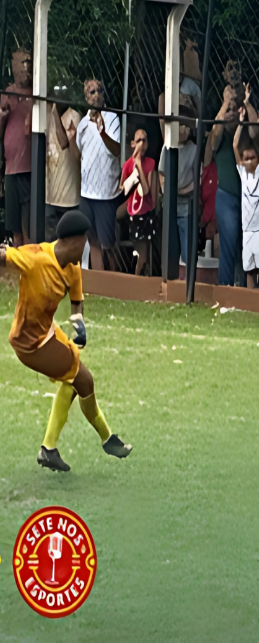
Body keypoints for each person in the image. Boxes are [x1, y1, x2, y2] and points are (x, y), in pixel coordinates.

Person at [5, 209, 131, 472]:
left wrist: (79, 326)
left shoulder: (72, 270)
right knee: (82, 379)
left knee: (76, 380)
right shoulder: (37, 257)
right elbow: (5, 255)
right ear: (73, 241)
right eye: (84, 241)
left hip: (47, 332)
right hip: (29, 343)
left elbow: (76, 305)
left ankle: (50, 449)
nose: (85, 248)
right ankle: (106, 439)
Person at [76, 79, 122, 270]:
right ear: (86, 97)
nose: (96, 95)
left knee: (108, 245)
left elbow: (116, 150)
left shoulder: (112, 118)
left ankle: (112, 284)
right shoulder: (83, 123)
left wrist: (102, 132)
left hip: (105, 193)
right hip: (87, 193)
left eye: (99, 91)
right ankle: (97, 285)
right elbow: (80, 151)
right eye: (92, 92)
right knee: (92, 241)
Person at [233, 88, 259, 290]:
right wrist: (241, 122)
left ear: (258, 160)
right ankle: (250, 302)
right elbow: (234, 146)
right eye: (245, 158)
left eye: (252, 157)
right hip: (247, 230)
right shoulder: (242, 173)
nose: (248, 161)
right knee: (249, 270)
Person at [206, 84, 241, 285]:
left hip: (247, 196)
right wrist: (225, 104)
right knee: (227, 245)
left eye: (233, 110)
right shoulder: (219, 137)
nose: (230, 114)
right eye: (228, 110)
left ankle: (244, 288)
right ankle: (226, 288)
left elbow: (256, 137)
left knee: (244, 245)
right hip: (226, 195)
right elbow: (213, 140)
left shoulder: (244, 132)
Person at [158, 103, 199, 265]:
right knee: (169, 249)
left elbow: (198, 180)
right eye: (180, 125)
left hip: (186, 208)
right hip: (169, 206)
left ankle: (187, 282)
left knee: (187, 251)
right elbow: (161, 173)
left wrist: (180, 191)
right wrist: (167, 192)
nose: (183, 129)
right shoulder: (167, 148)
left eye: (187, 126)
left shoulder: (194, 149)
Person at [0, 49, 33, 244]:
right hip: (11, 169)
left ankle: (28, 269)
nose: (25, 67)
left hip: (29, 169)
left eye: (28, 62)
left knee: (28, 226)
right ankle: (16, 271)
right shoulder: (6, 94)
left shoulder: (35, 93)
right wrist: (2, 118)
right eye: (21, 63)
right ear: (13, 66)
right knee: (15, 229)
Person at [120, 128, 156, 276]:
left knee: (145, 250)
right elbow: (122, 187)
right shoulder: (127, 165)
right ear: (133, 144)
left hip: (147, 212)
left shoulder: (151, 164)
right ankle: (135, 277)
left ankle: (143, 275)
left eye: (144, 140)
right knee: (138, 248)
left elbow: (147, 190)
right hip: (134, 213)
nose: (141, 143)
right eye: (138, 140)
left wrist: (139, 166)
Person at [46, 103, 81, 241]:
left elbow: (63, 142)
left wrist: (54, 113)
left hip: (68, 196)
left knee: (68, 242)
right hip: (50, 195)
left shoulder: (74, 116)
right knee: (50, 243)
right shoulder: (45, 114)